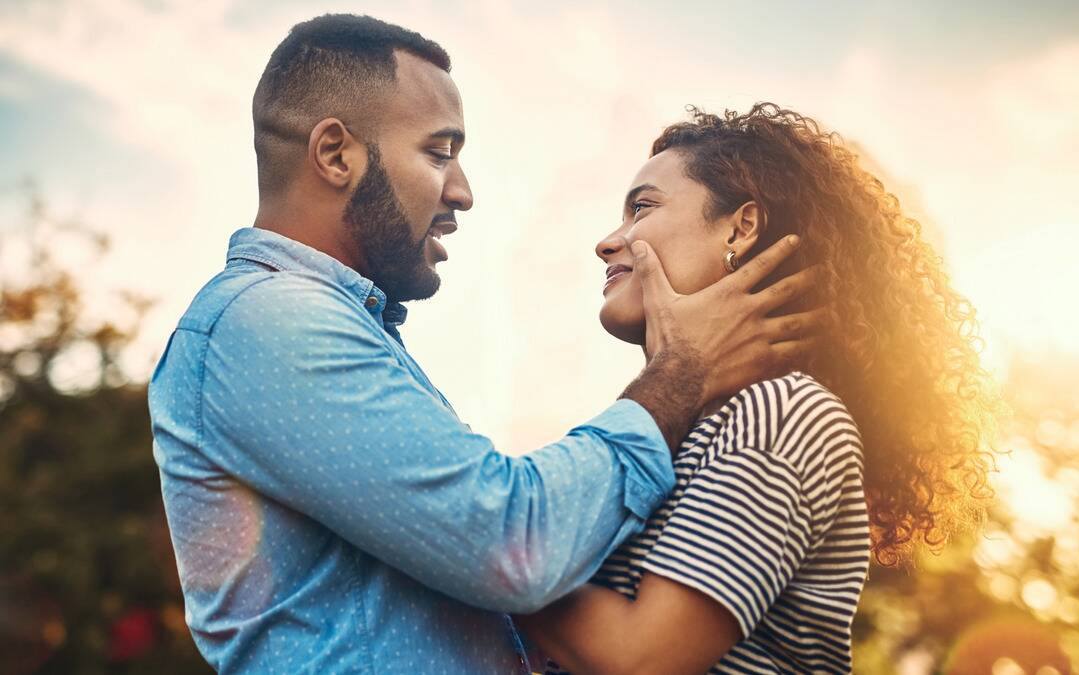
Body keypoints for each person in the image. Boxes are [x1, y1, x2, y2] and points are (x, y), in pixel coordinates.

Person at [147, 15, 819, 674]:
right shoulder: (270, 324)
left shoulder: (331, 330)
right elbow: (514, 544)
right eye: (439, 152)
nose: (463, 192)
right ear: (336, 155)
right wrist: (679, 372)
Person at [516, 104, 1001, 674]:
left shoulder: (786, 413)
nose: (608, 242)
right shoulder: (685, 430)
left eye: (641, 208)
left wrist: (477, 542)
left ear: (741, 227)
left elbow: (641, 659)